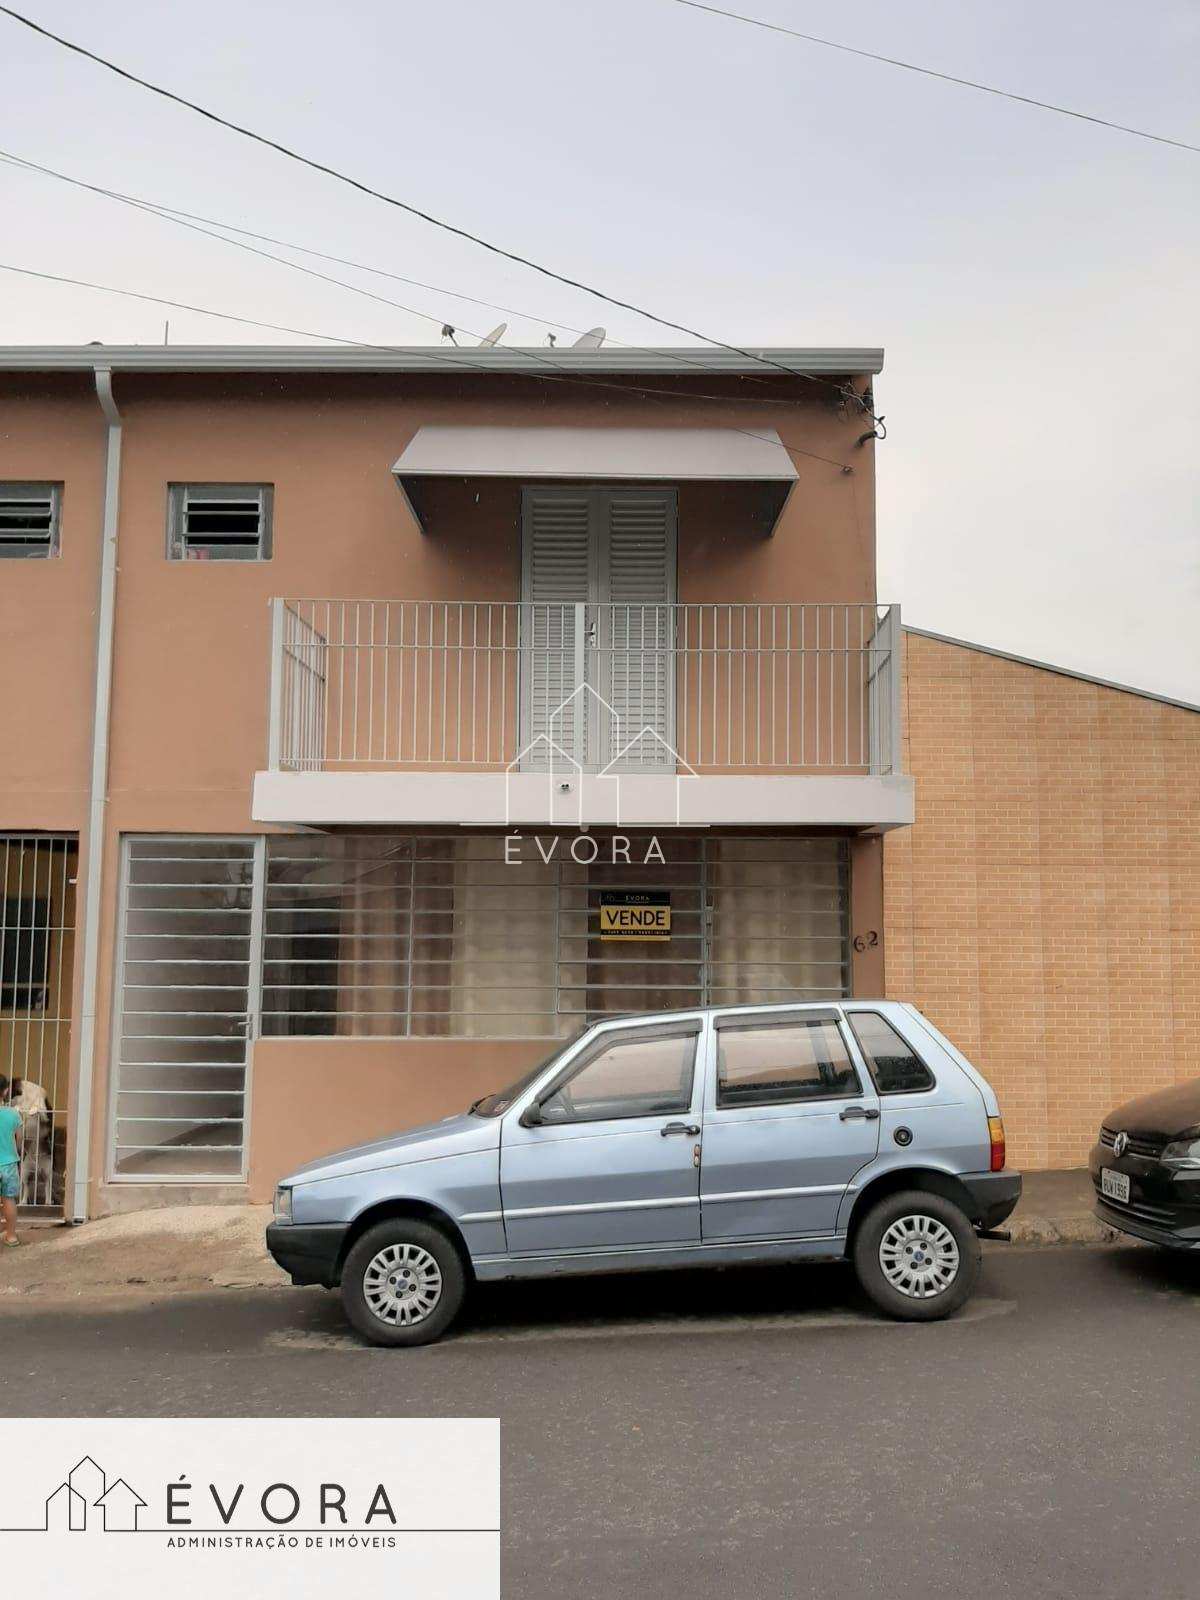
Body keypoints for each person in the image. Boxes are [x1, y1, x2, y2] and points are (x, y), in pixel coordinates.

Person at [0, 1075, 22, 1246]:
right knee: (9, 1199)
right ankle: (11, 1236)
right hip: (9, 1164)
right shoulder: (13, 1114)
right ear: (6, 1090)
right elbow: (19, 1139)